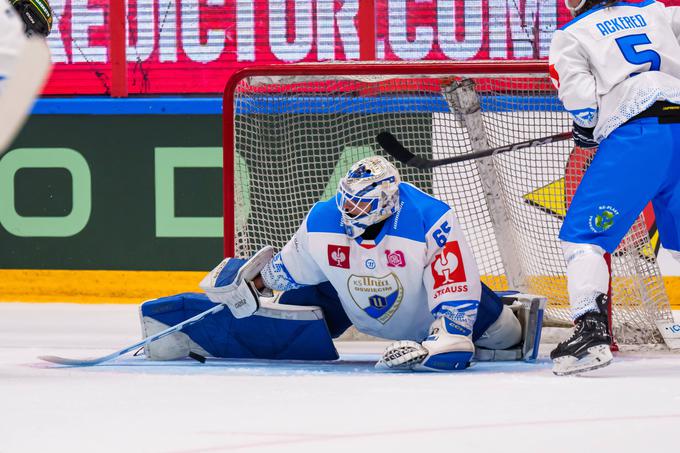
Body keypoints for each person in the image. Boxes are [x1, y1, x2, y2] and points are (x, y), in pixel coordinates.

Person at [143, 156, 540, 371]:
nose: (350, 211)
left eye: (361, 205)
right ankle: (194, 335)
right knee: (283, 323)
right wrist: (252, 285)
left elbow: (454, 327)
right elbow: (288, 268)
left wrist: (432, 351)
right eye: (347, 201)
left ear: (387, 202)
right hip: (352, 306)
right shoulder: (322, 218)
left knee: (505, 336)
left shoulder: (430, 218)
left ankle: (510, 314)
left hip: (426, 315)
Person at [549, 0, 680, 375]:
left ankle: (590, 332)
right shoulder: (656, 10)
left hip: (640, 139)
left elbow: (580, 99)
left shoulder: (571, 34)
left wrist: (587, 129)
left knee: (582, 237)